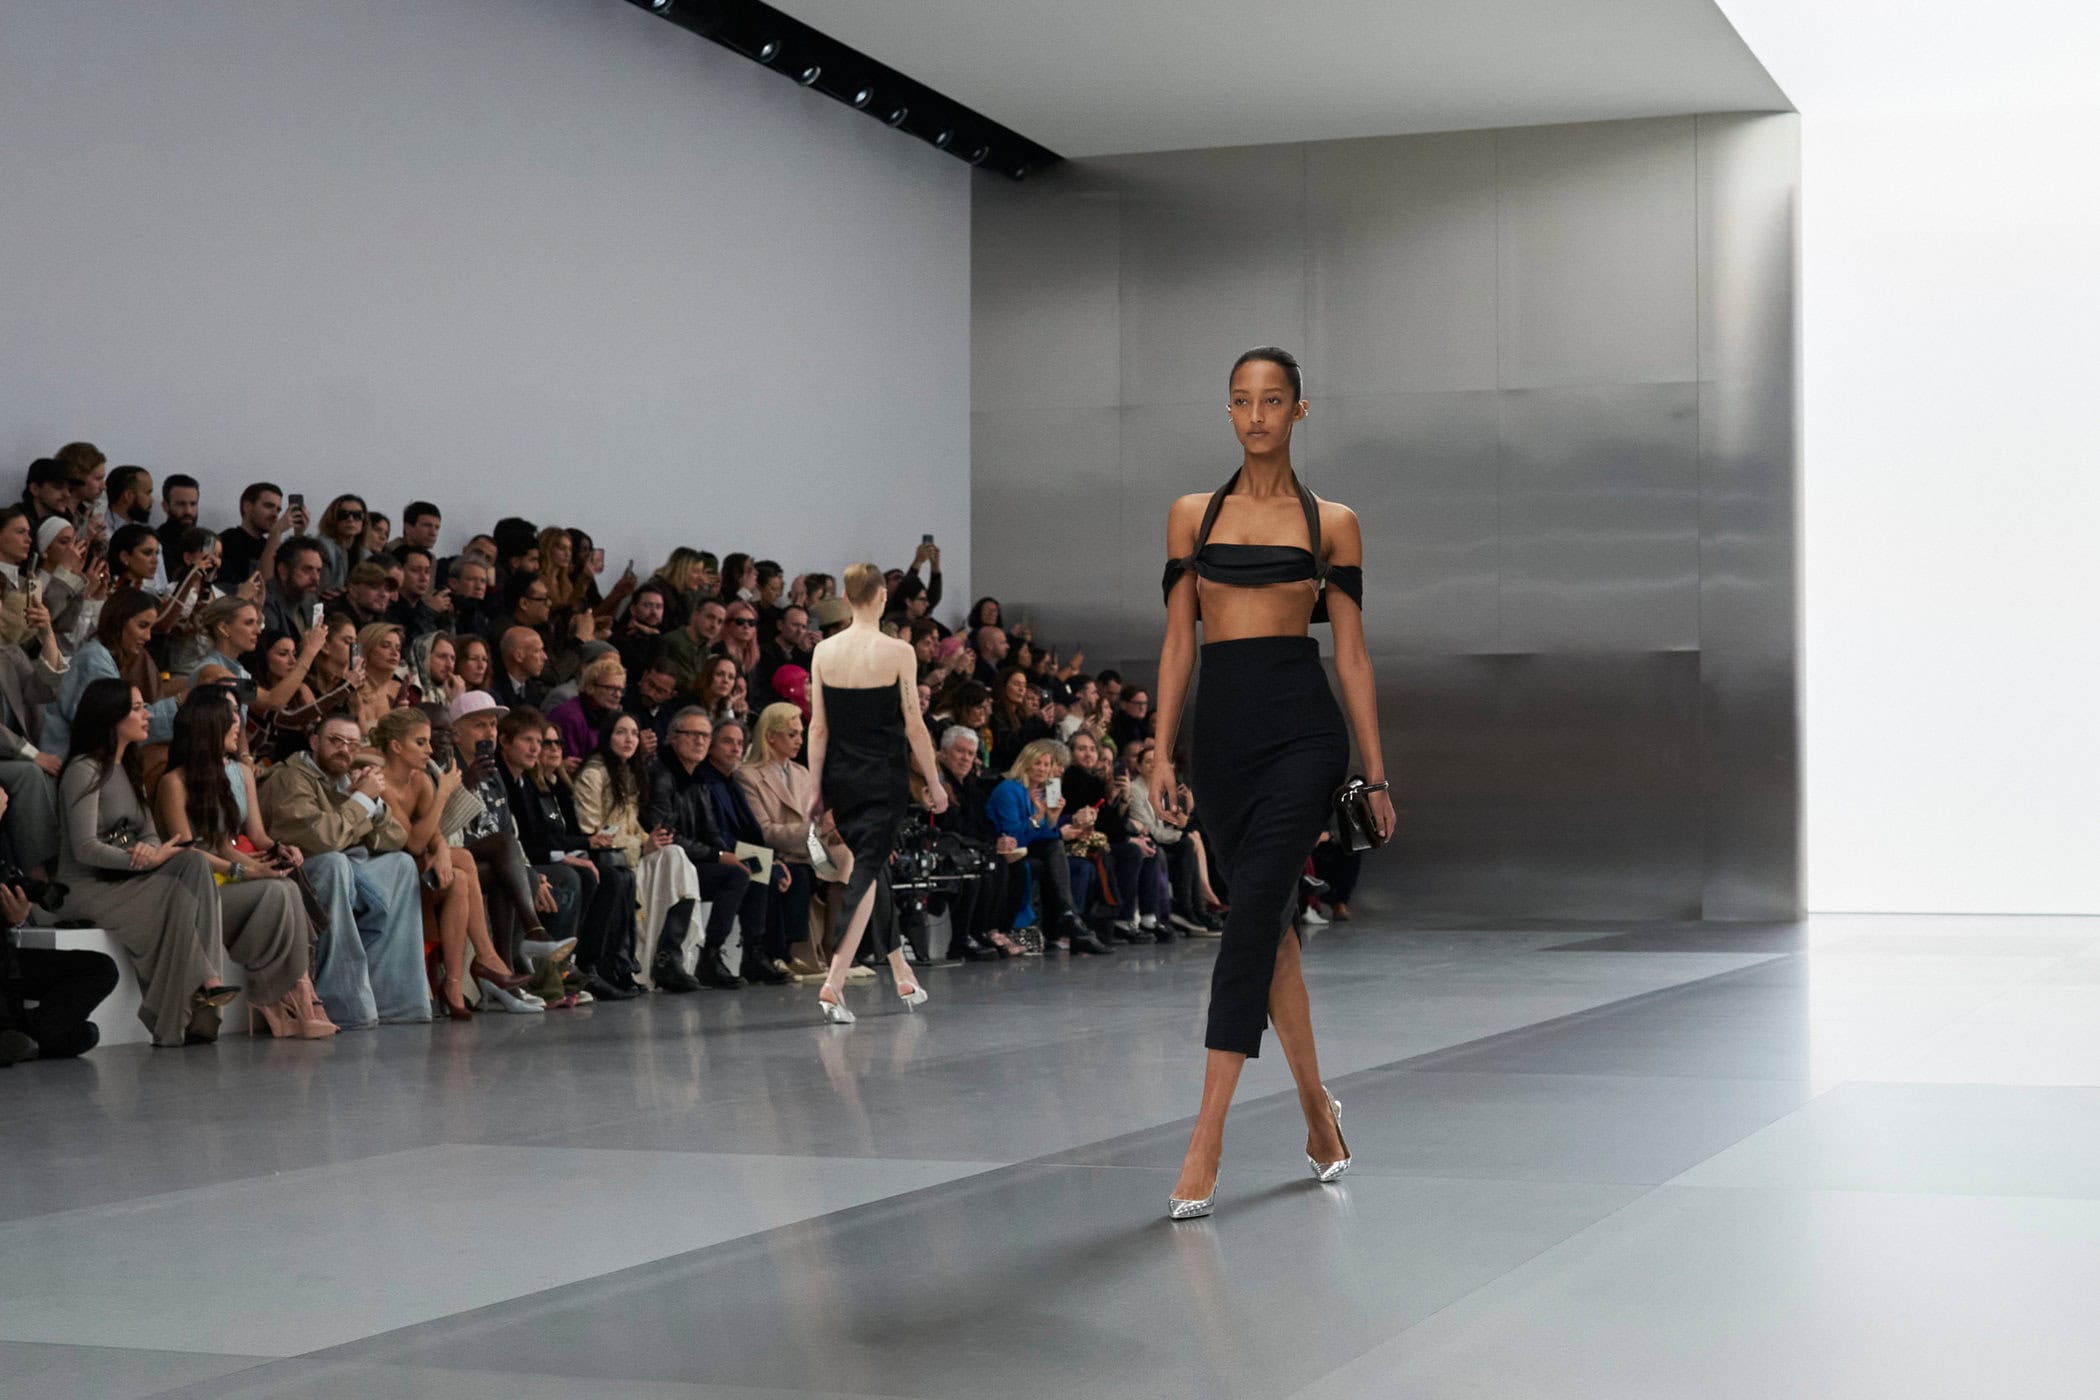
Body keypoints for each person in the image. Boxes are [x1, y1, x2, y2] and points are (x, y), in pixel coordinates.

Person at [1153, 347, 1395, 1221]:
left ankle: (1205, 1138)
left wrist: (1375, 774)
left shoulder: (1334, 523)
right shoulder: (1192, 515)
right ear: (1228, 411)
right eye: (1241, 401)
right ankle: (1316, 1112)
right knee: (1273, 933)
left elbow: (1353, 656)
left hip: (1303, 733)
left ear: (1299, 410)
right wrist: (1159, 750)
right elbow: (1179, 641)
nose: (1255, 415)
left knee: (1251, 916)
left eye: (1272, 400)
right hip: (1221, 742)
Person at [53, 679, 309, 1047]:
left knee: (191, 862)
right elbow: (84, 848)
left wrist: (150, 851)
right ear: (111, 717)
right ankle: (204, 985)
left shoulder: (129, 766)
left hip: (128, 876)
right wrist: (138, 858)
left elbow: (150, 834)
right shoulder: (84, 768)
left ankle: (207, 999)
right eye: (137, 708)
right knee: (184, 882)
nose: (148, 715)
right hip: (89, 886)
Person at [806, 561, 947, 1024]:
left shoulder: (824, 651)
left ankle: (901, 969)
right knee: (865, 872)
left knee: (870, 867)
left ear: (846, 599)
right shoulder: (898, 651)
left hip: (840, 777)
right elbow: (914, 724)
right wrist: (934, 781)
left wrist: (814, 788)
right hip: (883, 777)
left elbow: (818, 727)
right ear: (883, 597)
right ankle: (834, 983)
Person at [152, 687, 335, 1037]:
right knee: (278, 891)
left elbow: (225, 845)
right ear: (208, 728)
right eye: (230, 720)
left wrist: (272, 856)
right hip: (193, 887)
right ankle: (286, 996)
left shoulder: (229, 773)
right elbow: (188, 853)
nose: (238, 726)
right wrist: (247, 870)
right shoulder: (173, 782)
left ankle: (291, 996)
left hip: (223, 875)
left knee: (284, 884)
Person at [258, 710, 432, 1027]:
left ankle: (396, 1003)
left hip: (347, 867)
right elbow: (320, 840)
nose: (344, 750)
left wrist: (372, 804)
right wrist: (361, 800)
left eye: (352, 744)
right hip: (298, 869)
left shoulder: (345, 779)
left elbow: (397, 840)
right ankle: (345, 1006)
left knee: (402, 865)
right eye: (335, 741)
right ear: (314, 742)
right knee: (334, 863)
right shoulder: (290, 777)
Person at [371, 706, 530, 1019]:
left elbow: (434, 836)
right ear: (396, 746)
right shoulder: (382, 783)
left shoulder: (418, 779)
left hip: (415, 866)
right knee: (465, 859)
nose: (430, 750)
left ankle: (454, 983)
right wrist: (443, 794)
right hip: (385, 870)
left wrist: (442, 851)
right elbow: (413, 842)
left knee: (460, 878)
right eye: (421, 742)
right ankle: (486, 957)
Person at [572, 712, 701, 989]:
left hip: (629, 854)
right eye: (621, 732)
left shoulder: (628, 773)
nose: (629, 739)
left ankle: (668, 956)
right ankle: (629, 962)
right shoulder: (593, 774)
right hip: (605, 857)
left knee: (675, 854)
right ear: (607, 737)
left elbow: (631, 826)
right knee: (667, 860)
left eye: (633, 733)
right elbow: (591, 831)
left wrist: (652, 839)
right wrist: (641, 845)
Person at [646, 707, 760, 991]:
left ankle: (758, 954)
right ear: (673, 737)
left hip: (700, 857)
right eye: (692, 734)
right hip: (666, 859)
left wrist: (731, 856)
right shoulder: (662, 774)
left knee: (761, 870)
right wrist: (720, 856)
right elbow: (666, 833)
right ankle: (688, 957)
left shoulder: (700, 778)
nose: (699, 741)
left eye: (705, 736)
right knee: (741, 873)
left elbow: (712, 832)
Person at [736, 702, 851, 977]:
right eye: (792, 734)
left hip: (805, 850)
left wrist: (832, 830)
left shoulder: (802, 773)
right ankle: (788, 952)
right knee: (797, 875)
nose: (800, 740)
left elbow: (818, 821)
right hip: (771, 852)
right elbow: (763, 831)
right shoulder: (747, 775)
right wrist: (817, 829)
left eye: (801, 733)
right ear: (770, 736)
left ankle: (835, 945)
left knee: (848, 856)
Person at [1, 833, 120, 1064]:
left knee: (100, 969)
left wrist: (16, 916)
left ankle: (24, 1036)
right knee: (78, 1035)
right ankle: (26, 1038)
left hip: (8, 961)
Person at [987, 739, 1112, 955]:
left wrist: (1052, 818)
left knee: (1058, 849)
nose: (1043, 769)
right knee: (1055, 847)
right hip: (1006, 850)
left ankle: (1068, 918)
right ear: (1025, 762)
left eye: (1047, 764)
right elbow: (1014, 837)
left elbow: (1043, 834)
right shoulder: (1009, 790)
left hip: (1031, 848)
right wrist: (1038, 818)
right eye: (1038, 763)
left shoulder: (1042, 791)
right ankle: (1069, 917)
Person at [697, 718, 790, 984]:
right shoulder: (704, 781)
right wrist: (764, 862)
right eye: (727, 741)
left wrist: (773, 860)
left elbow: (751, 832)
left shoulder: (731, 782)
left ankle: (756, 953)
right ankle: (716, 955)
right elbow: (716, 834)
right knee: (755, 871)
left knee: (778, 872)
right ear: (712, 746)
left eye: (740, 743)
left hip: (734, 850)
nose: (736, 748)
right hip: (710, 853)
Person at [41, 590, 178, 753]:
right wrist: (179, 702)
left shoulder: (102, 655)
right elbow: (120, 720)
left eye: (151, 628)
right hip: (65, 757)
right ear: (119, 622)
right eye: (142, 626)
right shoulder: (94, 660)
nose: (148, 636)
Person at [0, 587, 67, 875]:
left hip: (11, 753)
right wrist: (31, 754)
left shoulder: (8, 651)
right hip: (12, 755)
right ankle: (38, 875)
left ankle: (63, 867)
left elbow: (42, 690)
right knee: (29, 774)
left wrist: (47, 635)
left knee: (58, 769)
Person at [314, 494, 368, 592]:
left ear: (363, 521)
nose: (350, 519)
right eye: (343, 515)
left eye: (357, 515)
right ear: (333, 518)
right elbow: (322, 588)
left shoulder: (366, 555)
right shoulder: (322, 546)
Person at [155, 473, 201, 583]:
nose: (188, 511)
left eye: (193, 504)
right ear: (165, 506)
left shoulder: (207, 541)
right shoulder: (155, 543)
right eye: (181, 504)